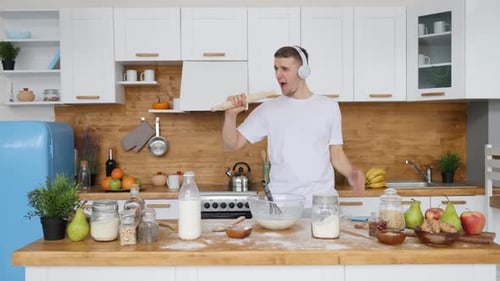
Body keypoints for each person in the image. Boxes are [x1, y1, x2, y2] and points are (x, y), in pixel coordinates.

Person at [222, 45, 364, 207]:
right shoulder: (268, 109)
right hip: (282, 205)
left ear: (303, 71)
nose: (278, 75)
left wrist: (351, 173)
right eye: (276, 68)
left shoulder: (329, 107)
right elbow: (232, 144)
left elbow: (336, 154)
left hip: (321, 203)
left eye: (285, 69)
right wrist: (230, 115)